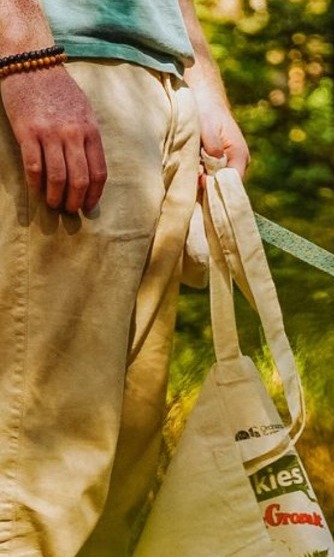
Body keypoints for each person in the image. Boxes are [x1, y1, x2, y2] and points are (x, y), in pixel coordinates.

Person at [0, 0, 247, 554]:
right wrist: (22, 51)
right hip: (58, 71)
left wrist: (201, 82)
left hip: (157, 89)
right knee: (35, 472)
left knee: (119, 472)